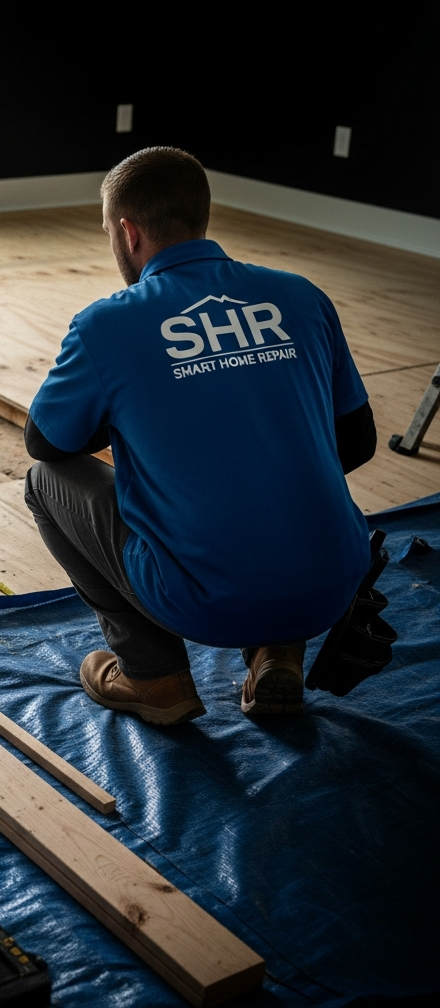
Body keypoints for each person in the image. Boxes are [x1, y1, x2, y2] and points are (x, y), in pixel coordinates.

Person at [23, 147, 376, 724]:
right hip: (332, 583)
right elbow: (356, 443)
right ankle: (276, 653)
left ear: (128, 232)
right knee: (277, 465)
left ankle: (154, 677)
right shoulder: (302, 296)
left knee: (44, 483)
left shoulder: (106, 324)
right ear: (199, 218)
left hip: (202, 602)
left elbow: (47, 446)